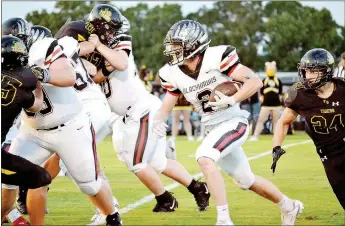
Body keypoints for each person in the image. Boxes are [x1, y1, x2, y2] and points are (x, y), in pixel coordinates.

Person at [154, 19, 303, 225]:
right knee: (245, 180)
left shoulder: (216, 57)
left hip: (233, 121)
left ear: (193, 44)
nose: (172, 50)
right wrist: (158, 120)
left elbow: (255, 81)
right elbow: (166, 105)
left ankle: (224, 220)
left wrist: (233, 98)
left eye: (177, 45)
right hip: (211, 127)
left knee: (204, 157)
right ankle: (289, 206)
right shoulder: (170, 73)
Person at [76, 5, 210, 224]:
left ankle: (166, 198)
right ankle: (197, 188)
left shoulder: (118, 41)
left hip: (141, 109)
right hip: (121, 116)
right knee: (157, 162)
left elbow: (120, 62)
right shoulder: (95, 48)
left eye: (113, 29)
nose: (112, 32)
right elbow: (95, 77)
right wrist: (97, 57)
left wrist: (98, 46)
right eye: (108, 28)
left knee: (137, 162)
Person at [1, 17, 122, 226]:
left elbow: (68, 76)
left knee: (89, 185)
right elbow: (33, 104)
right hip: (32, 131)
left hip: (69, 127)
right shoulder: (7, 63)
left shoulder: (44, 46)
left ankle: (112, 216)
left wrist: (42, 74)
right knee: (11, 180)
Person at [272, 48, 345, 210]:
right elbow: (283, 122)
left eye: (312, 71)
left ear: (326, 71)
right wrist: (276, 146)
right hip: (329, 156)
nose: (307, 76)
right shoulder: (300, 94)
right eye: (305, 71)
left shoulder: (342, 89)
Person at [1, 35, 52, 222]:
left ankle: (11, 213)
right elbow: (37, 105)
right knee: (42, 177)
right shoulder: (22, 82)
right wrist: (38, 84)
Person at [249, 61, 283, 141]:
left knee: (275, 122)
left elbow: (281, 94)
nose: (271, 70)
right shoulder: (264, 80)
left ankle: (276, 137)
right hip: (266, 105)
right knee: (260, 121)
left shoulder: (278, 81)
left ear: (275, 70)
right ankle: (255, 136)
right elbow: (260, 94)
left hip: (276, 105)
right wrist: (262, 101)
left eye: (272, 68)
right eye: (269, 68)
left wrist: (280, 101)